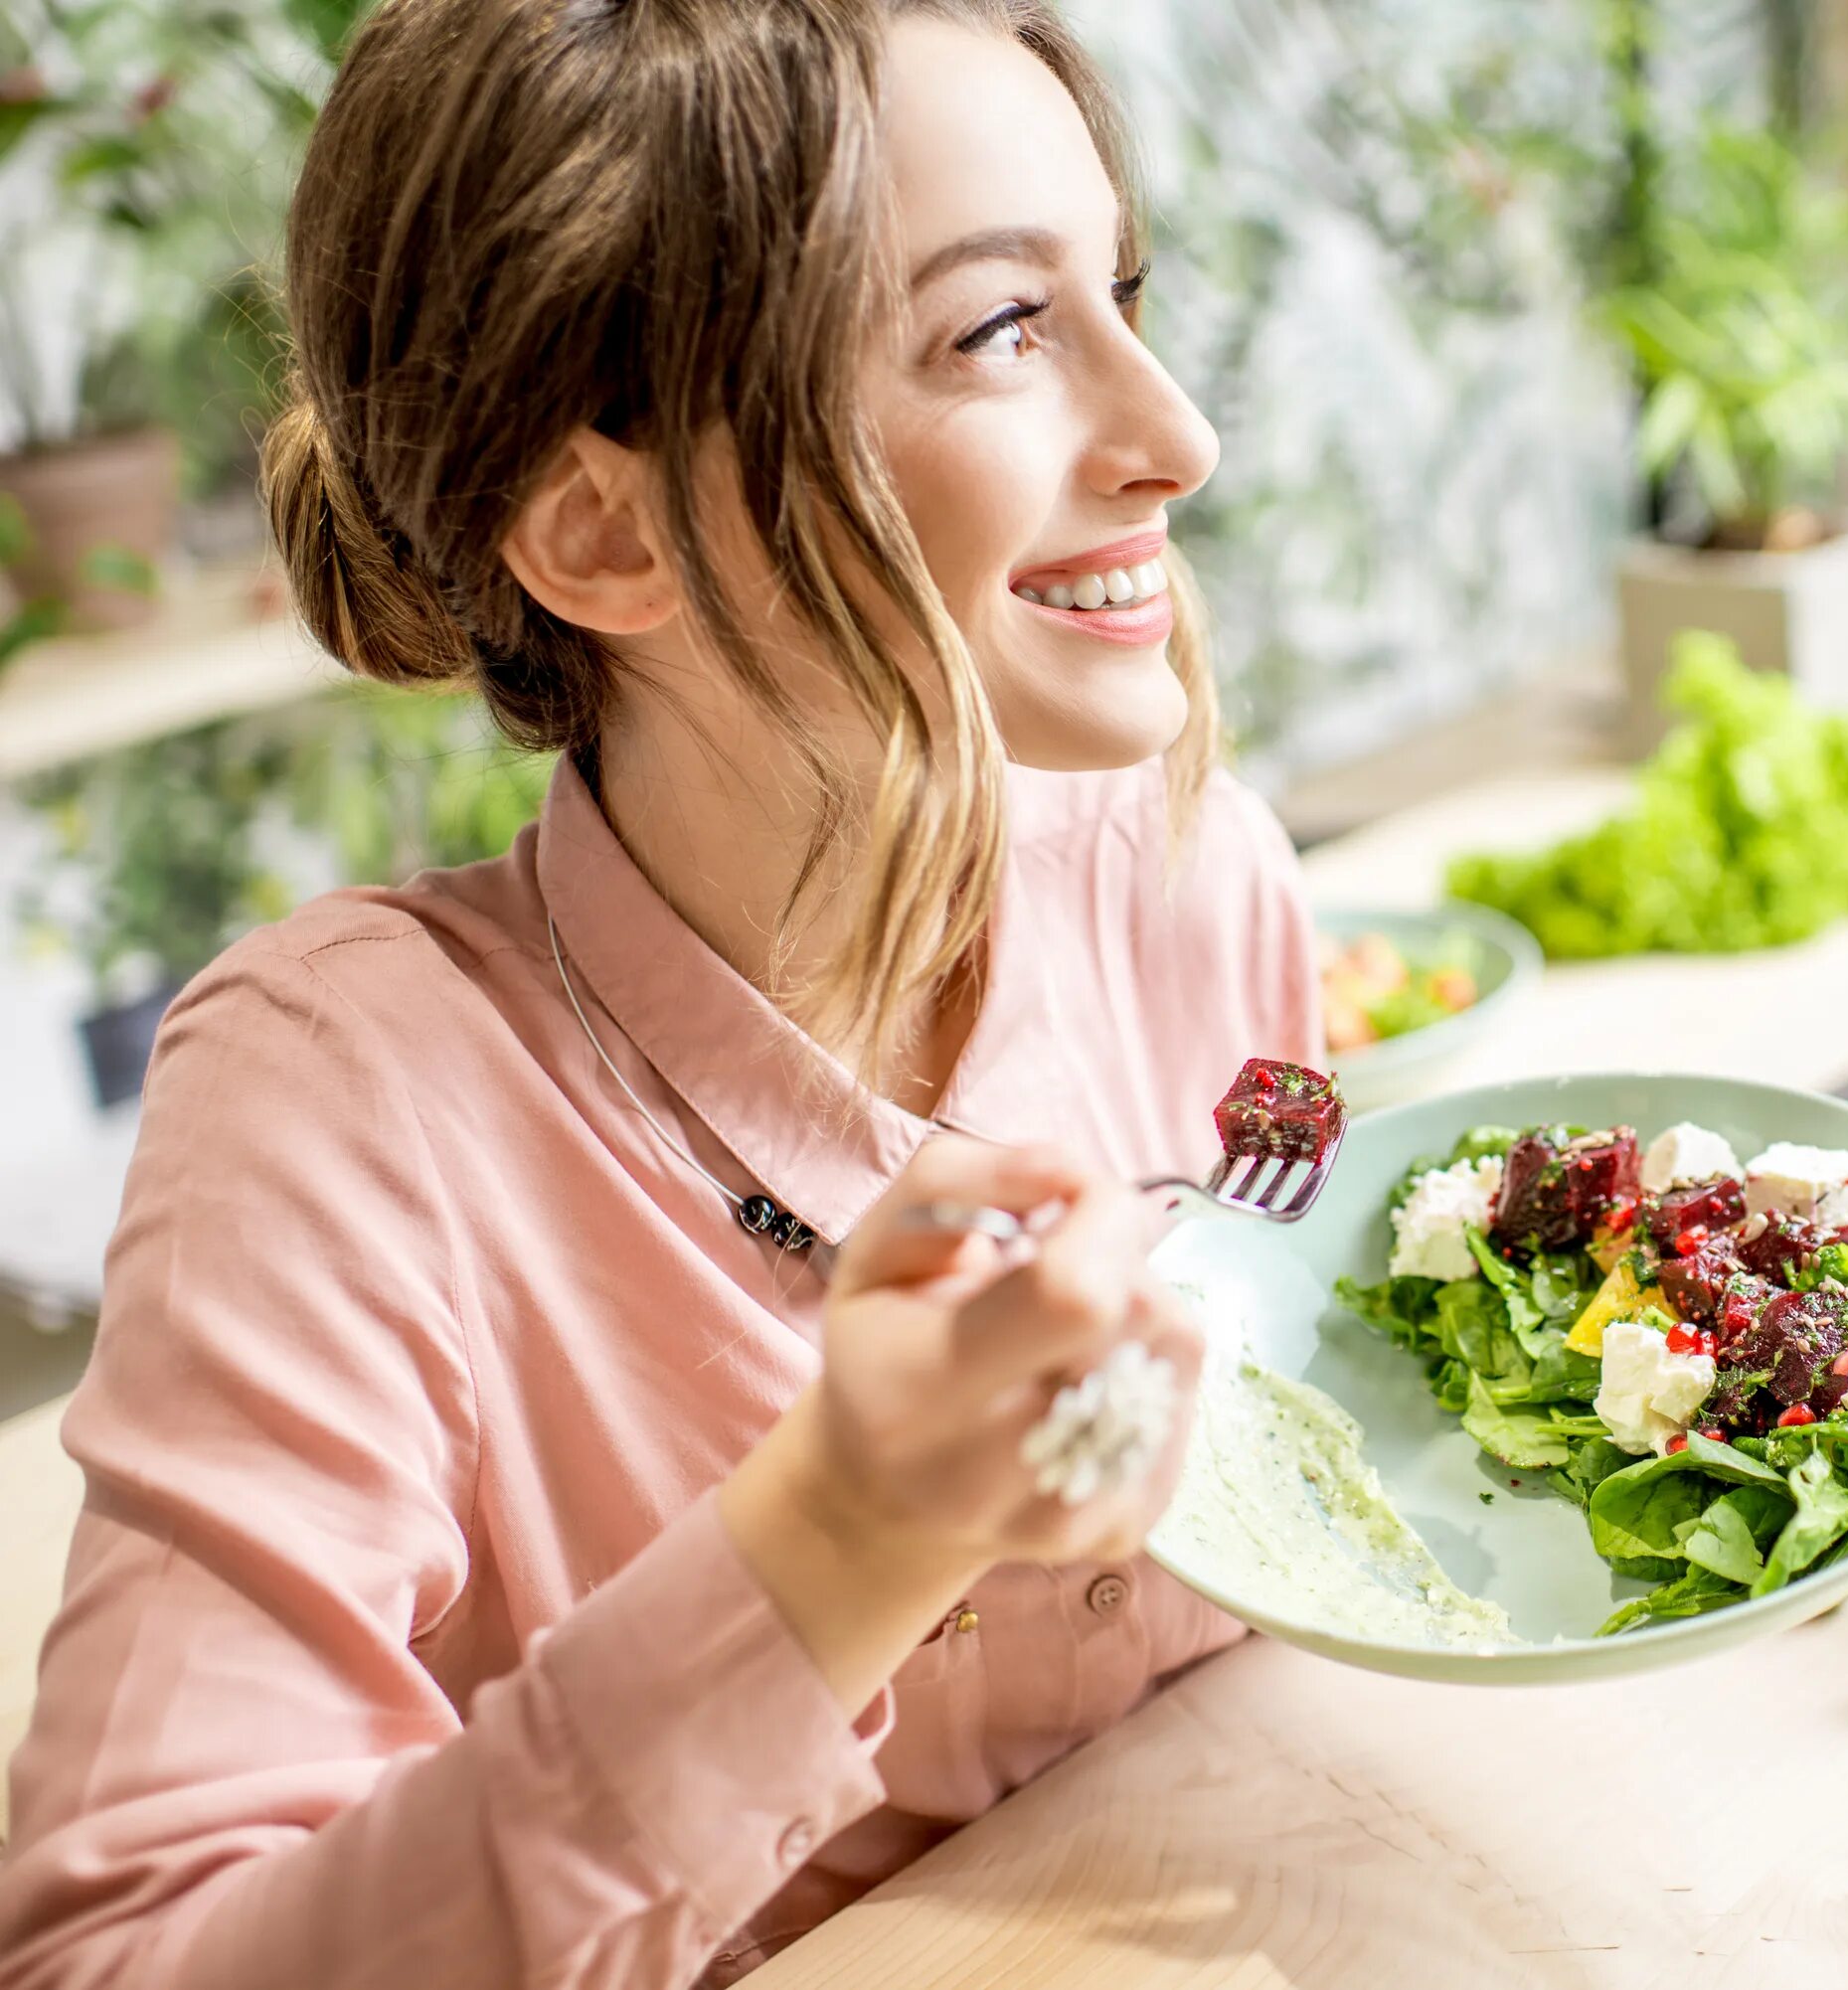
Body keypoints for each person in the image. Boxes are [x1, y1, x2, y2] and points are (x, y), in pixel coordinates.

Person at [0, 3, 1320, 1983]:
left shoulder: (1199, 873)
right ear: (604, 526)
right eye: (999, 331)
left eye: (1116, 289)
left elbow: (1309, 1342)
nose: (1177, 436)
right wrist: (837, 1542)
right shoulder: (341, 1102)